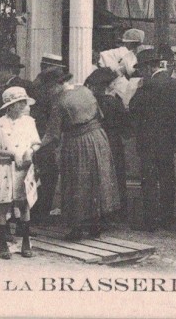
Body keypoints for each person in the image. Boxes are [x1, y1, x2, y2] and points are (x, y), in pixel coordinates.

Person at [37, 70, 120, 241]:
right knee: (95, 180)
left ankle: (77, 228)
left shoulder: (60, 101)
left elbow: (53, 134)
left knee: (77, 183)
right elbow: (99, 115)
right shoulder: (85, 91)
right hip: (98, 138)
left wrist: (36, 145)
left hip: (77, 142)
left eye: (49, 88)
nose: (48, 92)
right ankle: (95, 225)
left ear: (57, 85)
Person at [129, 45, 176, 231]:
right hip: (169, 140)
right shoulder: (175, 84)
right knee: (168, 179)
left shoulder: (146, 87)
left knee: (149, 180)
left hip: (148, 141)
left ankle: (150, 221)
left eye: (141, 70)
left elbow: (133, 108)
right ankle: (167, 219)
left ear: (148, 68)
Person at [0, 86, 40, 259]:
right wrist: (10, 154)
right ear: (10, 106)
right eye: (19, 103)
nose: (23, 106)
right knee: (3, 205)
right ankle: (3, 244)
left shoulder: (29, 122)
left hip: (23, 169)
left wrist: (30, 152)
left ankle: (26, 242)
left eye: (24, 103)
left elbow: (36, 142)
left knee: (23, 204)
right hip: (4, 168)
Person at [84, 66, 131, 219]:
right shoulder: (113, 101)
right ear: (109, 84)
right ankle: (116, 211)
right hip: (113, 141)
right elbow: (126, 127)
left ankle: (97, 211)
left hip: (95, 141)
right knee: (116, 175)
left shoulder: (90, 101)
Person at [27, 66, 64, 224]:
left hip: (44, 140)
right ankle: (40, 213)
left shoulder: (45, 95)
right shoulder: (50, 98)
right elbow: (52, 128)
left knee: (44, 176)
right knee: (46, 176)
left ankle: (39, 212)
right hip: (44, 141)